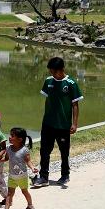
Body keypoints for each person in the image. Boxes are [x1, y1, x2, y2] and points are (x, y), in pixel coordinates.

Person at [33, 57, 83, 187]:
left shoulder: (71, 83)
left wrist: (74, 123)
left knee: (64, 151)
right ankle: (44, 177)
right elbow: (47, 100)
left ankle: (65, 174)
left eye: (54, 71)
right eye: (51, 71)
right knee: (44, 150)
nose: (52, 74)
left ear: (62, 70)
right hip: (48, 123)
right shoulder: (48, 81)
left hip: (63, 125)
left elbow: (75, 105)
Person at [0, 127, 37, 209]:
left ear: (20, 139)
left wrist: (33, 168)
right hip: (12, 176)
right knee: (9, 194)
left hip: (22, 176)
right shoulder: (9, 149)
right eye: (10, 135)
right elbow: (6, 158)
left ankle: (30, 206)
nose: (9, 137)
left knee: (25, 192)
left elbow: (28, 161)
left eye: (12, 136)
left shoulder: (24, 150)